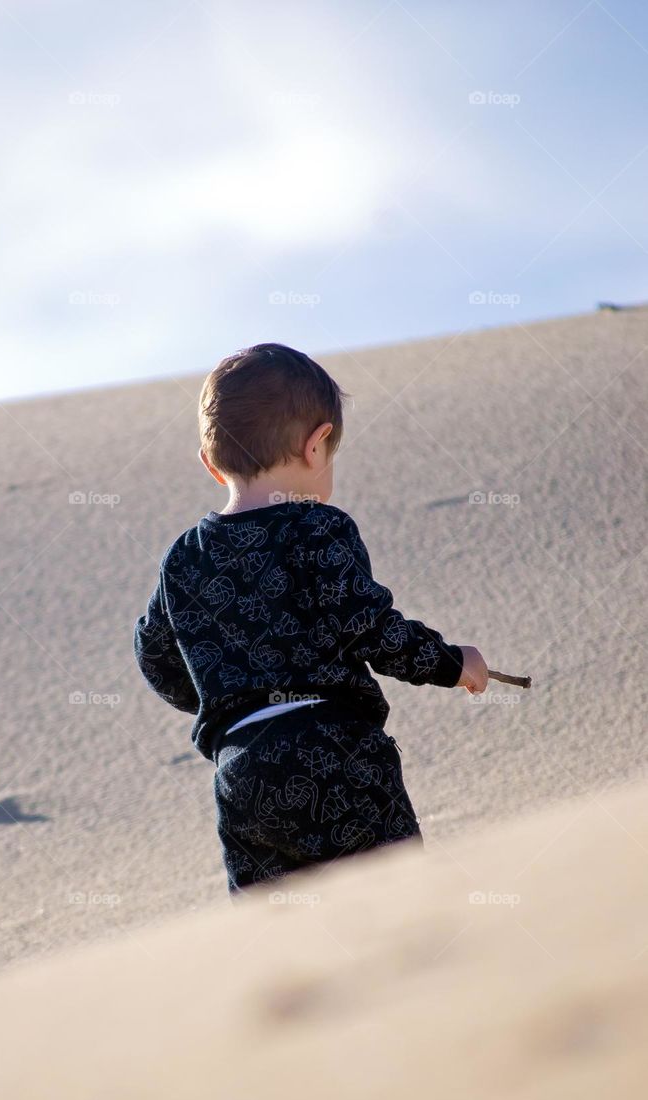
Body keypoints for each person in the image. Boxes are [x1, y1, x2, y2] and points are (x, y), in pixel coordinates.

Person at [133, 343, 489, 895]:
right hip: (336, 751)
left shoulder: (183, 556)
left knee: (277, 929)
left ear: (211, 463)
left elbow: (156, 655)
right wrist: (451, 663)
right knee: (400, 902)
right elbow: (370, 626)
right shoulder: (319, 528)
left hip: (242, 770)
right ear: (316, 445)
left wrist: (223, 691)